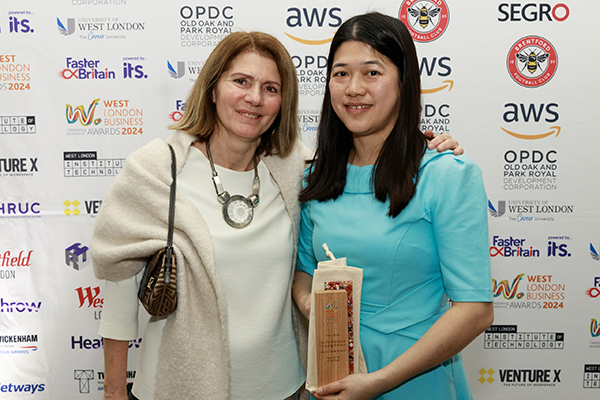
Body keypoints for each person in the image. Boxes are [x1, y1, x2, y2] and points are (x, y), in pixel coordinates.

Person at [90, 30, 463, 400]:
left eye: (271, 88)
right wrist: (113, 392)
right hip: (181, 388)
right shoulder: (158, 169)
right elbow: (120, 286)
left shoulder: (294, 170)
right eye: (241, 81)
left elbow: (364, 168)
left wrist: (424, 148)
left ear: (283, 102)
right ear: (212, 88)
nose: (254, 98)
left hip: (285, 388)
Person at [292, 12, 493, 400]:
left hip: (413, 379)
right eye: (340, 73)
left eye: (372, 73)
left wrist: (379, 382)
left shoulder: (447, 174)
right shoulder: (314, 178)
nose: (353, 88)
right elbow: (303, 273)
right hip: (334, 376)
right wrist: (315, 306)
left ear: (404, 81)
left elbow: (475, 309)